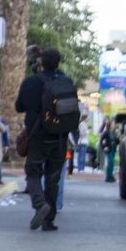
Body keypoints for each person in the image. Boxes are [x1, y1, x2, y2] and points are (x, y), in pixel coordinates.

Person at [17, 48, 78, 230]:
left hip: (37, 136)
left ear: (40, 63)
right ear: (58, 63)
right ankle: (48, 220)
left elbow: (19, 106)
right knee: (53, 178)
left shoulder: (31, 82)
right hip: (59, 137)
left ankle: (39, 204)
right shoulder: (66, 82)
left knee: (33, 171)